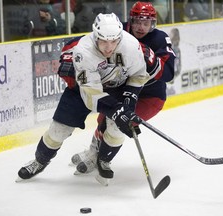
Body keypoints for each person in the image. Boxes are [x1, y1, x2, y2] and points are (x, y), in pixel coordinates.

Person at [17, 13, 150, 183]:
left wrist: (128, 103)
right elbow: (91, 94)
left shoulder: (131, 45)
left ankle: (103, 160)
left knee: (117, 128)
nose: (109, 47)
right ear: (95, 36)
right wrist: (116, 110)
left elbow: (138, 75)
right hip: (82, 91)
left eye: (114, 41)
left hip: (117, 88)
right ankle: (39, 161)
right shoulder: (83, 51)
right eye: (103, 41)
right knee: (58, 131)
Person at [71, 2, 176, 183]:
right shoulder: (117, 32)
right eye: (137, 22)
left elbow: (168, 73)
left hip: (150, 95)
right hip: (120, 89)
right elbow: (89, 42)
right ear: (130, 21)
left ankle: (104, 160)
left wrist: (148, 56)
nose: (141, 27)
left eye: (147, 22)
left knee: (119, 125)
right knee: (104, 119)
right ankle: (92, 153)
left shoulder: (159, 38)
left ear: (153, 23)